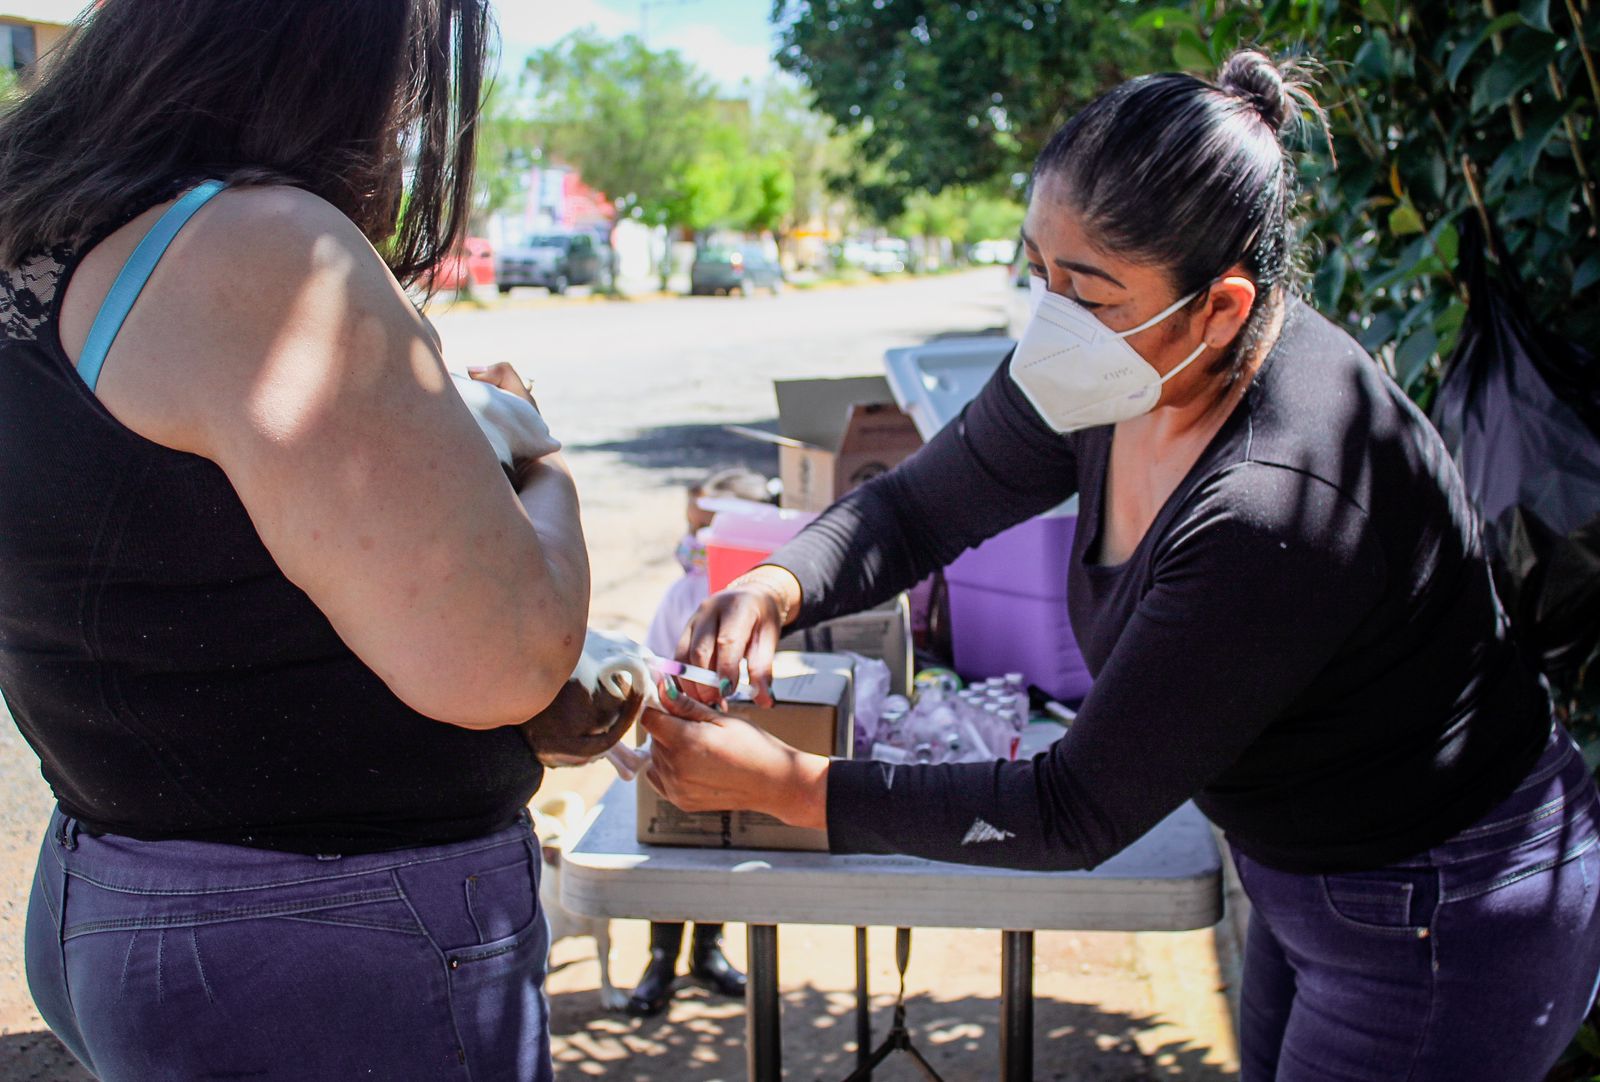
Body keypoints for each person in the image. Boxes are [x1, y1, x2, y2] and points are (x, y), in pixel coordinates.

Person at [642, 51, 1600, 1082]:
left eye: (1088, 293)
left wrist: (791, 786)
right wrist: (779, 582)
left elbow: (1072, 807)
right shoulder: (1116, 361)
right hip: (1311, 871)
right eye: (1038, 273)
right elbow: (922, 502)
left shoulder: (1272, 498)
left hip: (1438, 904)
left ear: (1222, 307)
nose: (1051, 318)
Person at [0, 2, 622, 1078]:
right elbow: (509, 658)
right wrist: (538, 454)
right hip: (319, 938)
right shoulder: (259, 249)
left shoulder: (44, 226)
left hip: (116, 877)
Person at [626, 467, 767, 1016]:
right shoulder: (684, 592)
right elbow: (650, 660)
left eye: (705, 532)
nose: (693, 545)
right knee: (673, 851)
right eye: (691, 529)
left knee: (721, 852)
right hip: (680, 740)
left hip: (743, 743)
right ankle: (661, 959)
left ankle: (707, 952)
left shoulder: (768, 598)